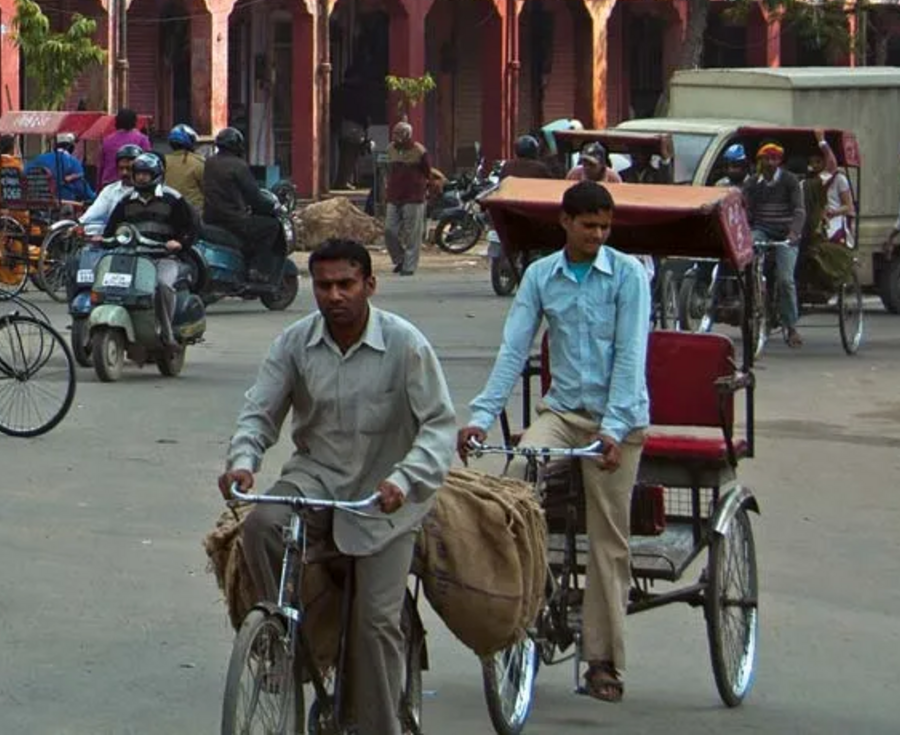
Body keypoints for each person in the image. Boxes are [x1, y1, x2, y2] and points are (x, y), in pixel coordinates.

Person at [223, 239, 456, 735]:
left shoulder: (405, 343)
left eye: (346, 284)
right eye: (324, 285)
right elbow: (260, 411)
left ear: (369, 285)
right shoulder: (294, 342)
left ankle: (375, 727)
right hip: (318, 476)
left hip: (385, 495)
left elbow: (438, 427)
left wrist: (405, 479)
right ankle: (282, 639)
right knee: (262, 524)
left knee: (374, 626)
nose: (334, 295)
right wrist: (243, 461)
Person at [458, 178, 652, 702]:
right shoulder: (543, 276)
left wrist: (613, 430)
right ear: (564, 222)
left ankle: (603, 661)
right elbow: (512, 350)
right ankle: (522, 597)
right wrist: (480, 416)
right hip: (563, 412)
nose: (597, 235)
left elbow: (632, 359)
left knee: (608, 540)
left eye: (605, 227)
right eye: (588, 226)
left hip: (619, 419)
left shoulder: (629, 276)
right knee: (515, 480)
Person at [79, 147, 199, 350]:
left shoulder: (172, 199)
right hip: (132, 256)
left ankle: (167, 333)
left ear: (156, 175)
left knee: (162, 285)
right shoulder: (126, 201)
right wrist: (102, 238)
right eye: (138, 174)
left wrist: (179, 242)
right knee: (107, 282)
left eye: (146, 174)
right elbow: (112, 230)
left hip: (164, 257)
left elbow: (191, 228)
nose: (141, 178)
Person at [203, 126, 287, 285]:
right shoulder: (238, 165)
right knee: (272, 227)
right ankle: (258, 269)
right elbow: (253, 196)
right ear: (237, 145)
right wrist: (271, 207)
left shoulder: (209, 162)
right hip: (234, 220)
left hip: (211, 218)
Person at [744, 143, 809, 348]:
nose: (770, 163)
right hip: (761, 230)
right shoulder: (752, 182)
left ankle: (791, 327)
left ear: (779, 161)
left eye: (774, 159)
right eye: (766, 159)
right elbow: (746, 210)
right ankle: (754, 293)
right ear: (760, 161)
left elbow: (799, 211)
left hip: (785, 234)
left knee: (785, 280)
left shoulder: (790, 181)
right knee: (750, 251)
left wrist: (793, 233)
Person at [379, 122, 439, 276]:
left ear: (407, 135)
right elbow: (386, 171)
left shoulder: (419, 151)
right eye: (394, 133)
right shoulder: (390, 149)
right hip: (394, 195)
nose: (395, 136)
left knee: (412, 233)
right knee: (389, 230)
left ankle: (409, 266)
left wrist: (430, 191)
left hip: (413, 196)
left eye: (399, 133)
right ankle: (399, 259)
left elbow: (428, 172)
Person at [96, 107, 153, 190]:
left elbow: (101, 166)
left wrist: (98, 188)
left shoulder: (107, 140)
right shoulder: (142, 139)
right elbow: (148, 164)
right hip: (132, 185)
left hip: (108, 185)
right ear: (134, 121)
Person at [32, 131, 91, 208]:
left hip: (39, 203)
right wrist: (94, 197)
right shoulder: (72, 162)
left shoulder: (39, 159)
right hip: (64, 204)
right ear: (70, 147)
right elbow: (82, 190)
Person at [162, 125, 205, 207]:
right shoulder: (198, 162)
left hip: (168, 208)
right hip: (193, 210)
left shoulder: (162, 161)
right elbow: (206, 188)